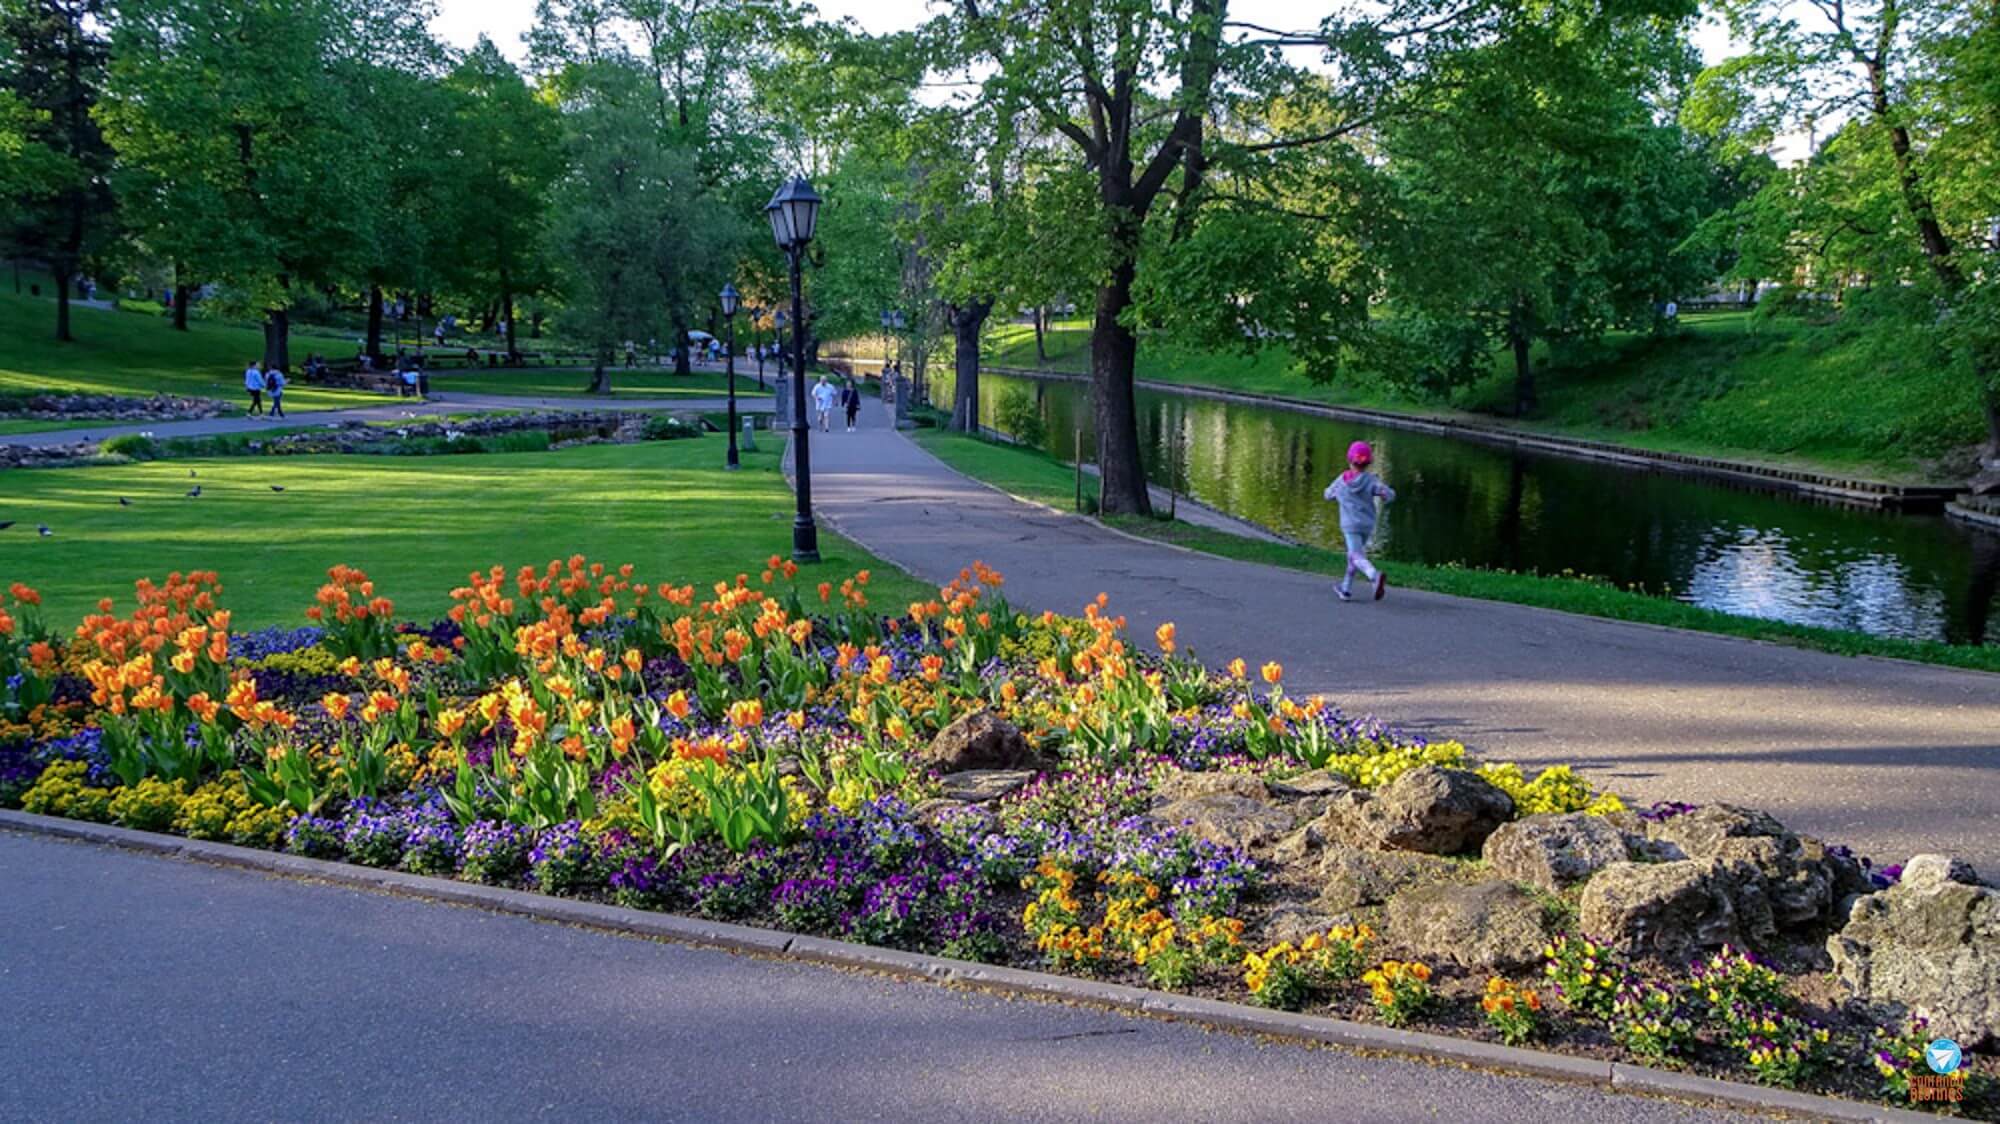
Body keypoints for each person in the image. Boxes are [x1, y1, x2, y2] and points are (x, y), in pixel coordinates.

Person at [1324, 440, 1396, 602]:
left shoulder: (1342, 481)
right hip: (1367, 525)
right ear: (1368, 463)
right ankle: (1345, 588)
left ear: (1350, 460)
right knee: (1355, 556)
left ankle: (1374, 575)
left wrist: (1332, 493)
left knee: (1355, 556)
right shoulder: (1371, 480)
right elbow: (1388, 494)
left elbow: (1327, 494)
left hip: (1350, 525)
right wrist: (1386, 495)